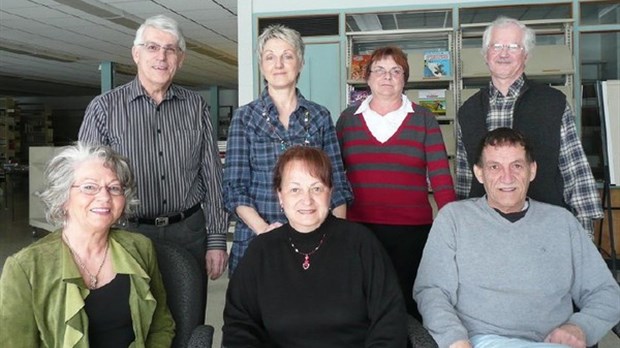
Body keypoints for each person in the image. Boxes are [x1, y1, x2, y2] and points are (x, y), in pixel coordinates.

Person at [78, 15, 228, 324]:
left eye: (171, 49)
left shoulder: (195, 106)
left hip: (188, 233)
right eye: (152, 47)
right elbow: (85, 183)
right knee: (132, 322)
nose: (161, 56)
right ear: (136, 54)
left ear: (180, 59)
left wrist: (216, 239)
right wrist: (86, 242)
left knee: (188, 321)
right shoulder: (104, 108)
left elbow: (212, 176)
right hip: (127, 234)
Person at [414, 128, 620, 348]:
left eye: (517, 166)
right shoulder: (454, 219)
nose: (507, 177)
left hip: (551, 343)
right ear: (479, 173)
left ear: (532, 170)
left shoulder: (562, 222)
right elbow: (432, 291)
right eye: (495, 167)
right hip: (481, 341)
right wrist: (454, 340)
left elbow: (606, 292)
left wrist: (581, 327)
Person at [222, 146, 407, 347]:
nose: (307, 200)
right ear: (280, 196)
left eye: (316, 188)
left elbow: (389, 322)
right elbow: (239, 327)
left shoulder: (361, 244)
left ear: (330, 193)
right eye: (295, 189)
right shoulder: (261, 252)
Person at [0, 143, 175, 347]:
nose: (104, 197)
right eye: (89, 187)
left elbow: (161, 325)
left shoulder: (140, 248)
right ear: (63, 197)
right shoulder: (24, 268)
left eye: (114, 188)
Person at [336, 45, 456, 321]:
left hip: (412, 232)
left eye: (395, 71)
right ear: (367, 78)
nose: (386, 77)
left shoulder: (424, 119)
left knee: (407, 303)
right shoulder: (347, 120)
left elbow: (440, 177)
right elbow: (331, 174)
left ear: (404, 78)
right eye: (379, 70)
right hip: (359, 229)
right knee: (363, 302)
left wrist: (452, 226)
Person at [223, 24, 352, 274]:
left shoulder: (319, 116)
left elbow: (335, 183)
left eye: (287, 56)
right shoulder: (245, 118)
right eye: (270, 56)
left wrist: (337, 236)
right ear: (261, 65)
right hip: (257, 239)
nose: (278, 64)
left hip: (315, 240)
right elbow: (234, 188)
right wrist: (264, 230)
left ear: (300, 62)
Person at [456, 16, 602, 236]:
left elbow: (576, 172)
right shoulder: (467, 111)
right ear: (486, 55)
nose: (503, 53)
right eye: (496, 46)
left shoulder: (553, 103)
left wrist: (584, 238)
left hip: (546, 229)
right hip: (486, 230)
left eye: (513, 46)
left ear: (526, 54)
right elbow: (465, 182)